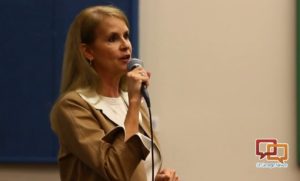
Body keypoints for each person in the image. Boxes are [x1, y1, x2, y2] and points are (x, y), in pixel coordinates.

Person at [50, 5, 179, 181]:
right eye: (113, 39)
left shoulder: (132, 99)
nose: (125, 45)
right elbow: (114, 170)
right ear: (88, 52)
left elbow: (132, 170)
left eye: (126, 36)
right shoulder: (73, 107)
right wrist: (134, 103)